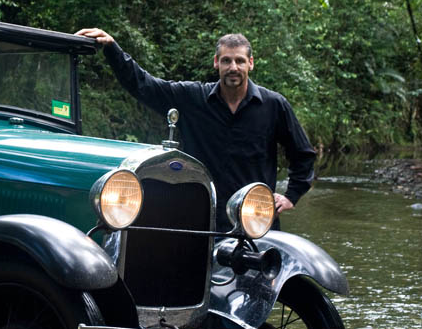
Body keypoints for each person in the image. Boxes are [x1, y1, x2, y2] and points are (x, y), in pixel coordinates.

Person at [75, 27, 316, 231]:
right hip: (200, 219)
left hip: (254, 222)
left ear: (250, 64)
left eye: (240, 60)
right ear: (216, 63)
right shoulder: (193, 98)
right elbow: (145, 86)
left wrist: (291, 195)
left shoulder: (273, 105)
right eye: (226, 60)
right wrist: (112, 49)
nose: (233, 67)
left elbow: (303, 154)